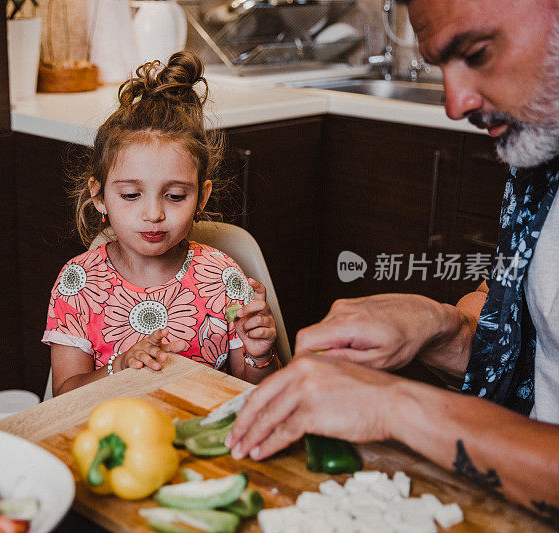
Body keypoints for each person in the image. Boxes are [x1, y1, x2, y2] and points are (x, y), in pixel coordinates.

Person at [227, 0, 559, 522]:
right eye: (438, 65)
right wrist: (444, 326)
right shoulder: (544, 143)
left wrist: (394, 405)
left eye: (475, 52)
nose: (455, 103)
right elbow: (539, 336)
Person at [43, 51, 278, 396]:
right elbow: (65, 396)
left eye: (175, 196)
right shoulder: (78, 285)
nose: (153, 214)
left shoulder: (225, 279)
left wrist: (260, 354)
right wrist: (119, 367)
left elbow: (255, 395)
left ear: (202, 197)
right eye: (131, 195)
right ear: (99, 196)